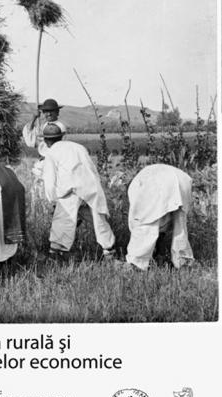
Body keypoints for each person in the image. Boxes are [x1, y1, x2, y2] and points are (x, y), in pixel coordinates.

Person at [41, 123, 115, 258]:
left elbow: (50, 181)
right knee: (98, 219)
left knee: (62, 221)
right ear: (61, 137)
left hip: (70, 190)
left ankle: (56, 254)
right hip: (90, 187)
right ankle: (109, 250)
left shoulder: (51, 153)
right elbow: (91, 168)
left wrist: (53, 200)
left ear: (45, 140)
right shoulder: (78, 147)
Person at [126, 164, 194, 271]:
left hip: (159, 181)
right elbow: (162, 226)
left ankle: (137, 264)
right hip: (182, 180)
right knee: (180, 226)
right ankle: (183, 262)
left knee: (147, 224)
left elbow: (139, 226)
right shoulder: (140, 179)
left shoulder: (137, 188)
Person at [23, 98, 67, 166]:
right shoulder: (44, 125)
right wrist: (34, 118)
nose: (49, 114)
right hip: (45, 161)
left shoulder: (59, 127)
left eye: (51, 111)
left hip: (55, 162)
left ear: (57, 112)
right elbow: (29, 131)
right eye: (46, 111)